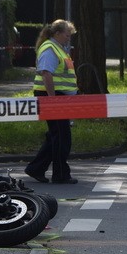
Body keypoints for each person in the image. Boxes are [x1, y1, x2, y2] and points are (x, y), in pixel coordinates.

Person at [24, 20, 78, 185]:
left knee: (56, 135)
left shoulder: (58, 48)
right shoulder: (50, 48)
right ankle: (60, 174)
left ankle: (36, 168)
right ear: (57, 33)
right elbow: (47, 74)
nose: (68, 39)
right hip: (53, 97)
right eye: (67, 35)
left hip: (58, 97)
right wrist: (53, 99)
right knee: (62, 136)